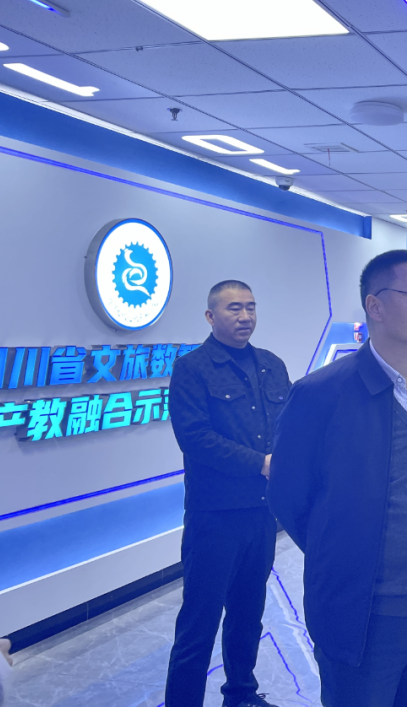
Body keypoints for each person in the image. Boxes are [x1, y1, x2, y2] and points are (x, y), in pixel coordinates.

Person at [267, 250, 407, 707]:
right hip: (366, 615)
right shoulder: (320, 394)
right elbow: (289, 497)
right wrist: (345, 556)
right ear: (376, 306)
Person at [165, 281, 291, 707]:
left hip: (261, 513)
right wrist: (261, 463)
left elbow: (288, 426)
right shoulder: (192, 369)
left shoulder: (271, 365)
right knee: (198, 622)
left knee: (247, 615)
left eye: (250, 307)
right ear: (210, 316)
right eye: (234, 308)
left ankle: (241, 694)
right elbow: (195, 438)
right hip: (214, 517)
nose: (245, 316)